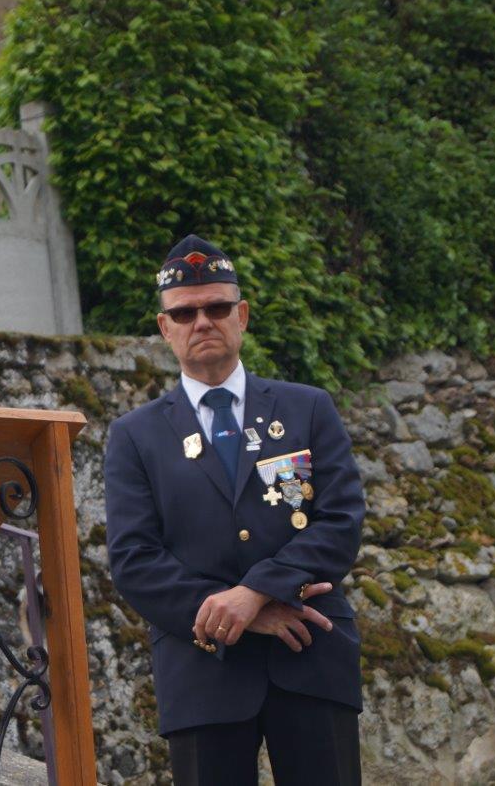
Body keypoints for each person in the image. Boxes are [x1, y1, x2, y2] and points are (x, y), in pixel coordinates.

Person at [104, 234, 365, 785]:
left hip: (309, 650)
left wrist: (257, 593)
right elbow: (134, 559)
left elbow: (340, 522)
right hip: (203, 670)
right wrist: (235, 617)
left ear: (241, 316)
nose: (203, 321)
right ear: (164, 327)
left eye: (218, 307)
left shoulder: (307, 407)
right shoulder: (135, 436)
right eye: (185, 312)